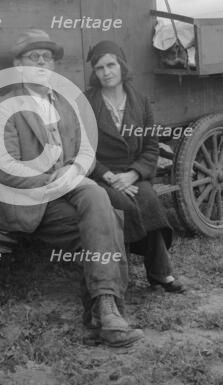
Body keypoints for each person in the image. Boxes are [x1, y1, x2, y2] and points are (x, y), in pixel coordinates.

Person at [0, 29, 144, 347]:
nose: (43, 64)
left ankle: (105, 309)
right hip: (33, 202)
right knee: (109, 218)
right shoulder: (4, 108)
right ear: (18, 66)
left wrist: (73, 171)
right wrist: (55, 180)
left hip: (70, 188)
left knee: (98, 199)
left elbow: (85, 153)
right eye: (34, 57)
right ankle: (107, 312)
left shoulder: (65, 103)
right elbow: (7, 173)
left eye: (48, 58)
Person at [85, 40, 185, 293]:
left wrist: (132, 174)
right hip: (100, 175)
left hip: (132, 172)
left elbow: (151, 146)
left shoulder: (140, 101)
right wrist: (108, 176)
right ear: (95, 73)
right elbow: (82, 149)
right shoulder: (86, 103)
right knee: (124, 204)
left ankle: (160, 272)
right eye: (100, 68)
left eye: (111, 65)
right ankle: (117, 276)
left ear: (121, 66)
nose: (106, 72)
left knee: (149, 198)